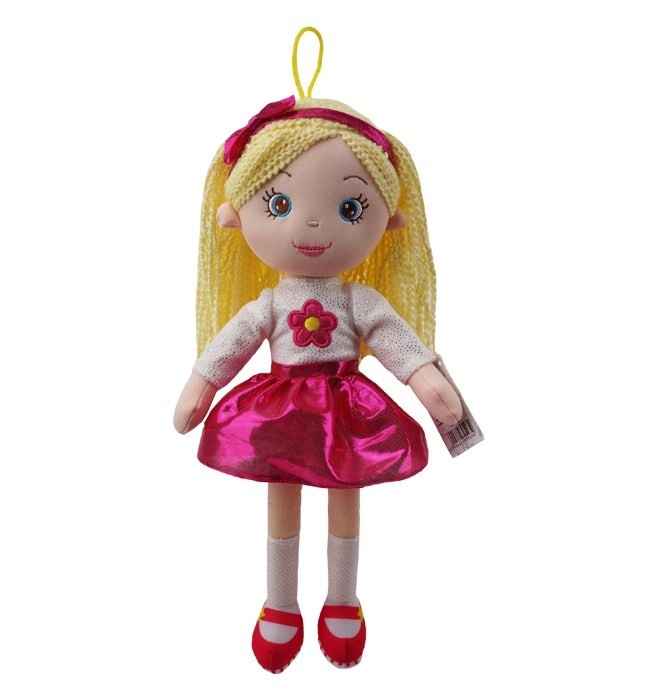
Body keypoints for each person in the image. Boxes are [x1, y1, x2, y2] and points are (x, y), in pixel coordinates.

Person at [174, 29, 462, 674]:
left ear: (388, 220)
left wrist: (427, 379)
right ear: (234, 214)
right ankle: (280, 602)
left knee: (345, 492)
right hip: (281, 406)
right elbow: (231, 344)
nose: (309, 223)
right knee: (281, 492)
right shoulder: (268, 304)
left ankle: (342, 599)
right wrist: (201, 384)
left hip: (344, 405)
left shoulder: (360, 300)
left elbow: (395, 340)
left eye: (350, 207)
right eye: (278, 203)